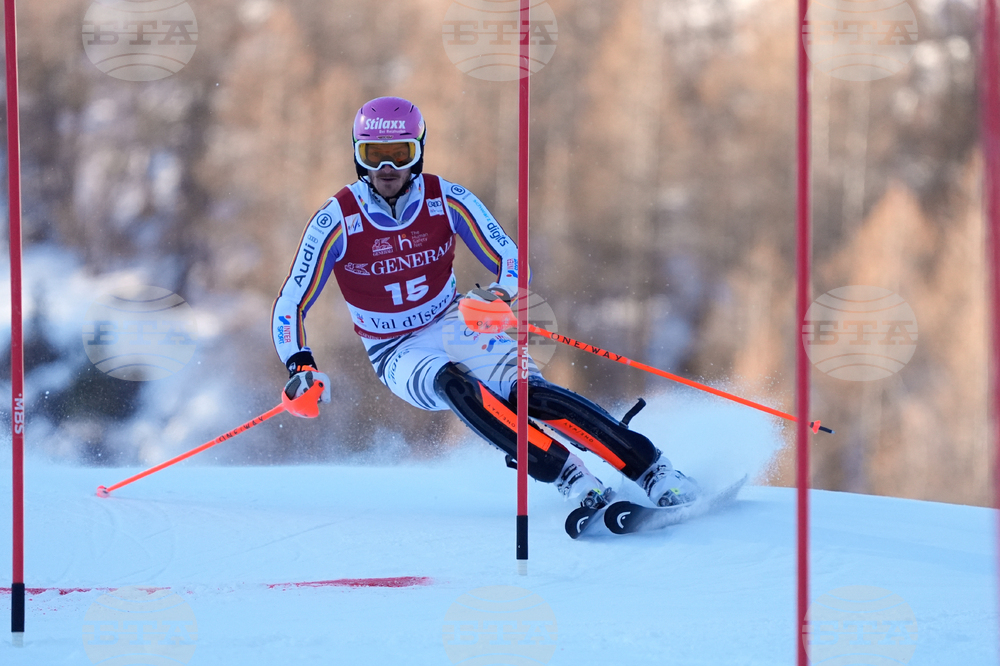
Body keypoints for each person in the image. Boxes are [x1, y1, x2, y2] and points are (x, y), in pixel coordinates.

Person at [271, 96, 698, 511]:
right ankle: (570, 476)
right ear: (357, 155)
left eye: (400, 154)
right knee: (456, 386)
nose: (387, 168)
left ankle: (653, 469)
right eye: (374, 154)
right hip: (396, 349)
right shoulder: (337, 219)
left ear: (418, 153)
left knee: (531, 396)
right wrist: (300, 365)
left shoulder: (446, 198)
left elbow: (509, 256)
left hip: (455, 320)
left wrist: (501, 295)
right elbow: (292, 300)